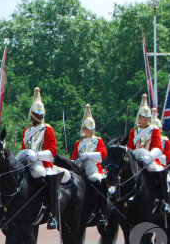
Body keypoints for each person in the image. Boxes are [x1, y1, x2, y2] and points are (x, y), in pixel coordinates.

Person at [19, 87, 69, 230]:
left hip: (44, 163)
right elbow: (24, 148)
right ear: (31, 114)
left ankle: (53, 214)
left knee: (48, 178)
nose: (39, 116)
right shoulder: (26, 131)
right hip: (28, 162)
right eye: (36, 113)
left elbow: (52, 150)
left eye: (40, 113)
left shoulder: (48, 129)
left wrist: (38, 155)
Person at [127, 94, 170, 213]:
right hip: (135, 158)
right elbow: (130, 147)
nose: (146, 119)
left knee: (159, 171)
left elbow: (158, 147)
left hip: (149, 158)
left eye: (148, 118)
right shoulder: (133, 131)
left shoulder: (154, 130)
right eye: (144, 117)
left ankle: (164, 202)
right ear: (139, 118)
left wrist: (149, 156)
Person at [70, 104, 108, 225]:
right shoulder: (78, 143)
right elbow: (73, 157)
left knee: (99, 183)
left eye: (93, 128)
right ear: (84, 129)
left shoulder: (98, 140)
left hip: (95, 169)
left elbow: (103, 154)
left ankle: (103, 211)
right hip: (80, 169)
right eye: (89, 129)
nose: (92, 131)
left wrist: (88, 155)